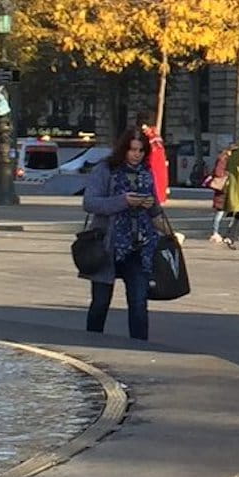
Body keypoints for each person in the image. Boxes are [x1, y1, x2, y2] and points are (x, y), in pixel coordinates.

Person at [80, 123, 163, 342]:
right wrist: (123, 201)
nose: (136, 155)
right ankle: (92, 342)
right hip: (107, 245)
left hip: (139, 246)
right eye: (132, 149)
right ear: (123, 149)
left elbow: (156, 209)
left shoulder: (146, 172)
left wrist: (153, 209)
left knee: (138, 303)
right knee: (100, 303)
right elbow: (90, 203)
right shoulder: (105, 169)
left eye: (141, 150)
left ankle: (139, 347)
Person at [205, 148, 232, 245]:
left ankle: (220, 232)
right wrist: (228, 174)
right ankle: (215, 233)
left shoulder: (223, 158)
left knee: (221, 212)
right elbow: (218, 172)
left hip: (223, 189)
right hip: (223, 189)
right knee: (220, 212)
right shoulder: (224, 159)